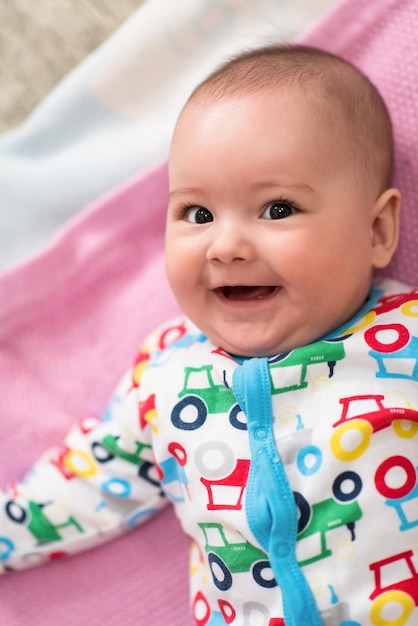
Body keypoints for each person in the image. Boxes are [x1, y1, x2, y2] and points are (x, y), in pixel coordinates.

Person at [1, 44, 417, 626]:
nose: (226, 246)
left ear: (377, 230)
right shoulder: (168, 374)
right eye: (197, 215)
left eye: (277, 209)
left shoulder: (405, 341)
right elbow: (94, 482)